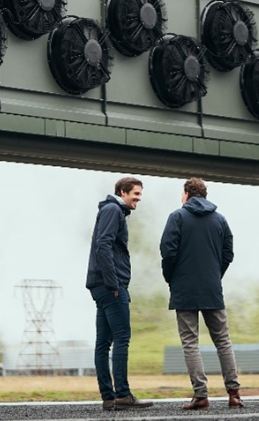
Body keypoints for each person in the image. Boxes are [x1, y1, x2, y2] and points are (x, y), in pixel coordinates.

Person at [160, 177, 244, 410]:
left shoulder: (177, 217)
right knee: (223, 341)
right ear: (204, 195)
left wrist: (171, 278)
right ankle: (234, 393)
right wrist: (215, 275)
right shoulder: (220, 219)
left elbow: (168, 252)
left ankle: (201, 395)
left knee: (190, 342)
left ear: (187, 193)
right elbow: (228, 253)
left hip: (184, 288)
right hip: (212, 288)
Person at [86, 176, 153, 411]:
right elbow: (103, 244)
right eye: (135, 194)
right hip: (110, 286)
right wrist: (114, 284)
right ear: (123, 192)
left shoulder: (110, 210)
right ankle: (122, 394)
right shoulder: (113, 210)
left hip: (100, 285)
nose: (138, 199)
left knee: (103, 342)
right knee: (121, 338)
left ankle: (108, 397)